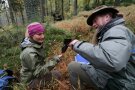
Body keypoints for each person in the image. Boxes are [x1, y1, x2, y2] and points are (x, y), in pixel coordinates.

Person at [67, 5, 135, 90]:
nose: (93, 25)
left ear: (107, 17)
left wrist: (77, 44)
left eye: (95, 21)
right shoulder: (113, 31)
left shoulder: (117, 31)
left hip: (124, 82)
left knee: (72, 66)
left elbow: (113, 62)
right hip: (121, 76)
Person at [20, 22, 62, 89]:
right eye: (39, 34)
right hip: (30, 82)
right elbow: (38, 72)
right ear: (31, 35)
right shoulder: (29, 52)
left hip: (33, 76)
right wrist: (54, 61)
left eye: (43, 33)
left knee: (55, 72)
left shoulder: (34, 44)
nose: (42, 36)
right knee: (57, 74)